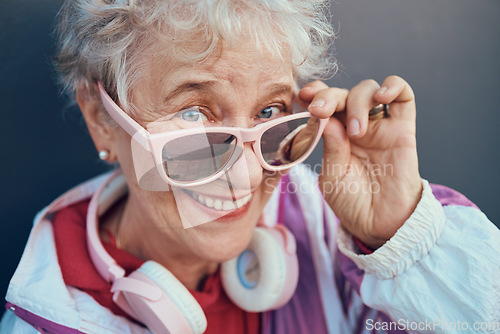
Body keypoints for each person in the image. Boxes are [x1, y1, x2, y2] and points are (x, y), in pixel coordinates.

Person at [1, 0, 499, 333]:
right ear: (99, 119)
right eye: (194, 115)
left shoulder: (333, 236)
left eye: (270, 112)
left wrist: (401, 235)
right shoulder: (42, 317)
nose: (246, 176)